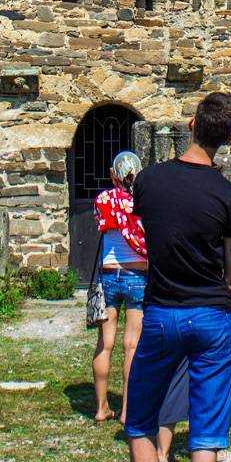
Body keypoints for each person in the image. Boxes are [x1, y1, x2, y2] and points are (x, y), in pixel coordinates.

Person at [125, 94, 231, 462]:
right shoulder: (230, 196)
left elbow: (155, 227)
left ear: (192, 124)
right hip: (213, 313)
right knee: (206, 439)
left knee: (140, 424)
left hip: (162, 308)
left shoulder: (148, 180)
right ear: (227, 138)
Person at [92, 150, 149, 424]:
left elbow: (101, 224)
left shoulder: (103, 200)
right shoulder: (144, 201)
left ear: (114, 173)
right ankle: (128, 410)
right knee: (132, 345)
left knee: (105, 344)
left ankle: (102, 407)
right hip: (137, 275)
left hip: (109, 274)